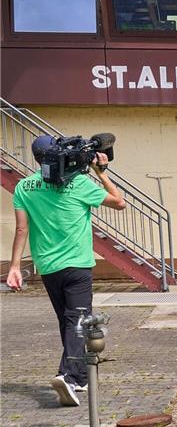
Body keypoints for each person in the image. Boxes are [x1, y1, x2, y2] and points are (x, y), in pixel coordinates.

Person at [6, 135, 126, 407]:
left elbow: (22, 229)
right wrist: (101, 172)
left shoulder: (24, 187)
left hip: (48, 266)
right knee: (78, 321)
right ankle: (69, 377)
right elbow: (119, 202)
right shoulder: (79, 182)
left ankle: (81, 376)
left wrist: (15, 266)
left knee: (68, 321)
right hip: (78, 264)